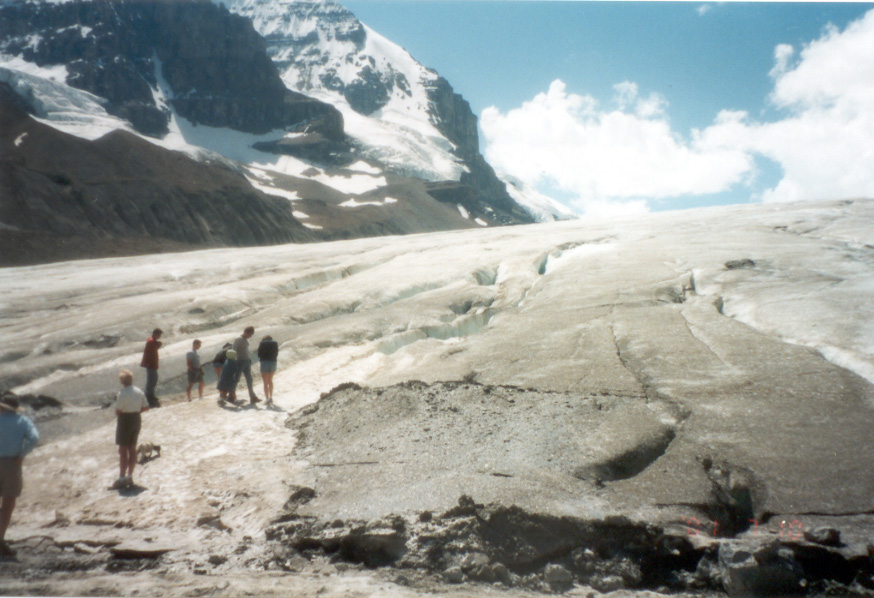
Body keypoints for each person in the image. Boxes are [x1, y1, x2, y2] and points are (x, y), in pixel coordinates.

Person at [0, 395, 39, 557]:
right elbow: (34, 438)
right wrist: (22, 455)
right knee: (8, 503)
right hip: (12, 463)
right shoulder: (23, 421)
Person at [113, 370, 149, 489]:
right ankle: (129, 476)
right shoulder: (139, 391)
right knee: (132, 449)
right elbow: (146, 407)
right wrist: (136, 411)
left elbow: (118, 411)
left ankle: (121, 478)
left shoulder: (122, 393)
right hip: (136, 419)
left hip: (125, 420)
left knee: (123, 450)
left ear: (122, 381)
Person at [233, 327, 261, 405]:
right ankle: (231, 396)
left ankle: (252, 397)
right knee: (236, 379)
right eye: (250, 334)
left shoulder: (245, 340)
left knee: (249, 379)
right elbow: (233, 350)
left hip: (246, 361)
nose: (250, 336)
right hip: (240, 361)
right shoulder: (238, 339)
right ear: (246, 332)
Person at [140, 328, 163, 408]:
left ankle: (151, 395)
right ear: (155, 334)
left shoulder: (152, 341)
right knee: (151, 381)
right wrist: (159, 343)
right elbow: (156, 346)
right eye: (159, 335)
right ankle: (148, 397)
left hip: (152, 364)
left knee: (154, 379)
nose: (160, 336)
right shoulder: (151, 341)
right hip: (150, 364)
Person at [257, 335, 279, 405]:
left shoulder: (262, 343)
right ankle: (271, 397)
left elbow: (259, 354)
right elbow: (276, 353)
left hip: (264, 362)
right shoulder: (275, 343)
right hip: (273, 362)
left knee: (265, 383)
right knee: (270, 380)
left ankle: (267, 398)